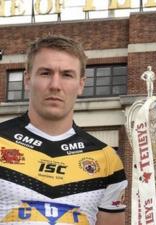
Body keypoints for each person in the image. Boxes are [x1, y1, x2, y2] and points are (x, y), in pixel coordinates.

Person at [0, 35, 127, 225]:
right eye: (45, 73)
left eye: (67, 75)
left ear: (81, 84)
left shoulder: (107, 159)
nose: (55, 85)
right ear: (27, 80)